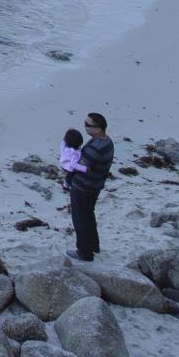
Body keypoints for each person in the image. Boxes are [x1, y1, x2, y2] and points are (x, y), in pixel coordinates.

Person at [65, 112, 114, 261]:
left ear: (98, 129)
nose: (85, 127)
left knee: (80, 219)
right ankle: (93, 245)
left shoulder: (96, 147)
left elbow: (80, 166)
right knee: (88, 215)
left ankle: (84, 252)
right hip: (94, 186)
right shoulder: (107, 141)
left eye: (88, 125)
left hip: (84, 188)